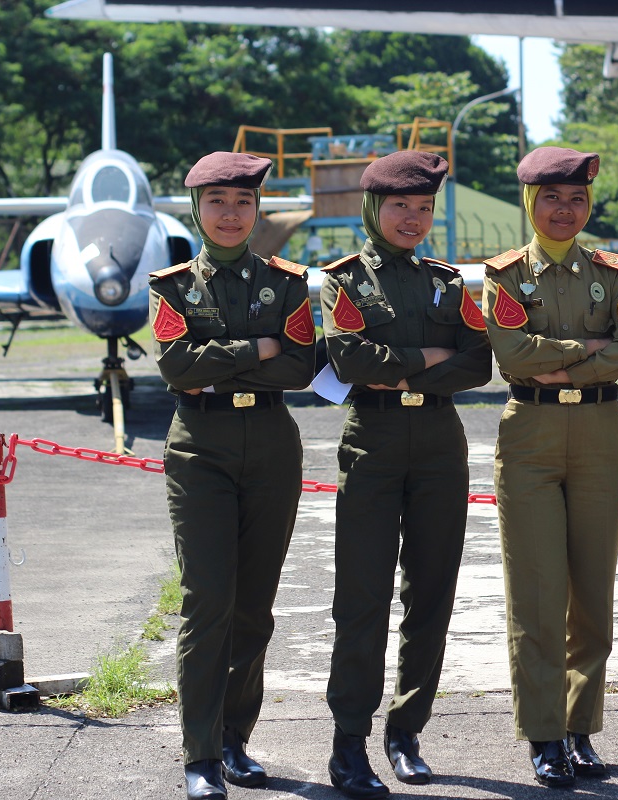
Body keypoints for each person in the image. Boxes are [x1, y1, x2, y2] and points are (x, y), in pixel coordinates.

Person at [320, 150, 492, 799]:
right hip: (374, 440)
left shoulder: (447, 282)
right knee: (361, 597)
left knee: (432, 593)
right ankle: (349, 742)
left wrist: (399, 365)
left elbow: (479, 362)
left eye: (423, 208)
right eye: (400, 206)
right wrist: (430, 355)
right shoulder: (343, 281)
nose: (412, 219)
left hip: (440, 444)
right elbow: (350, 360)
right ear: (373, 208)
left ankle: (406, 730)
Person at [481, 146, 618, 788]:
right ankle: (545, 734)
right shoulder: (503, 276)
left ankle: (581, 729)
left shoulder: (613, 274)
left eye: (576, 198)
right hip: (530, 434)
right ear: (531, 202)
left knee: (593, 593)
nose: (564, 209)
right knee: (536, 594)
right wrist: (592, 347)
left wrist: (562, 360)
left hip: (601, 435)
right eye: (551, 197)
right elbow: (512, 354)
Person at [148, 151, 317, 800]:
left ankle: (234, 741)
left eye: (243, 202)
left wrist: (220, 362)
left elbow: (299, 368)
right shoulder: (173, 287)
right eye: (217, 201)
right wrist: (259, 347)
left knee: (253, 609)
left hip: (272, 445)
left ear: (257, 210)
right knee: (207, 601)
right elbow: (177, 368)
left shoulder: (286, 283)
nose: (230, 213)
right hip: (201, 449)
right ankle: (199, 755)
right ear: (197, 209)